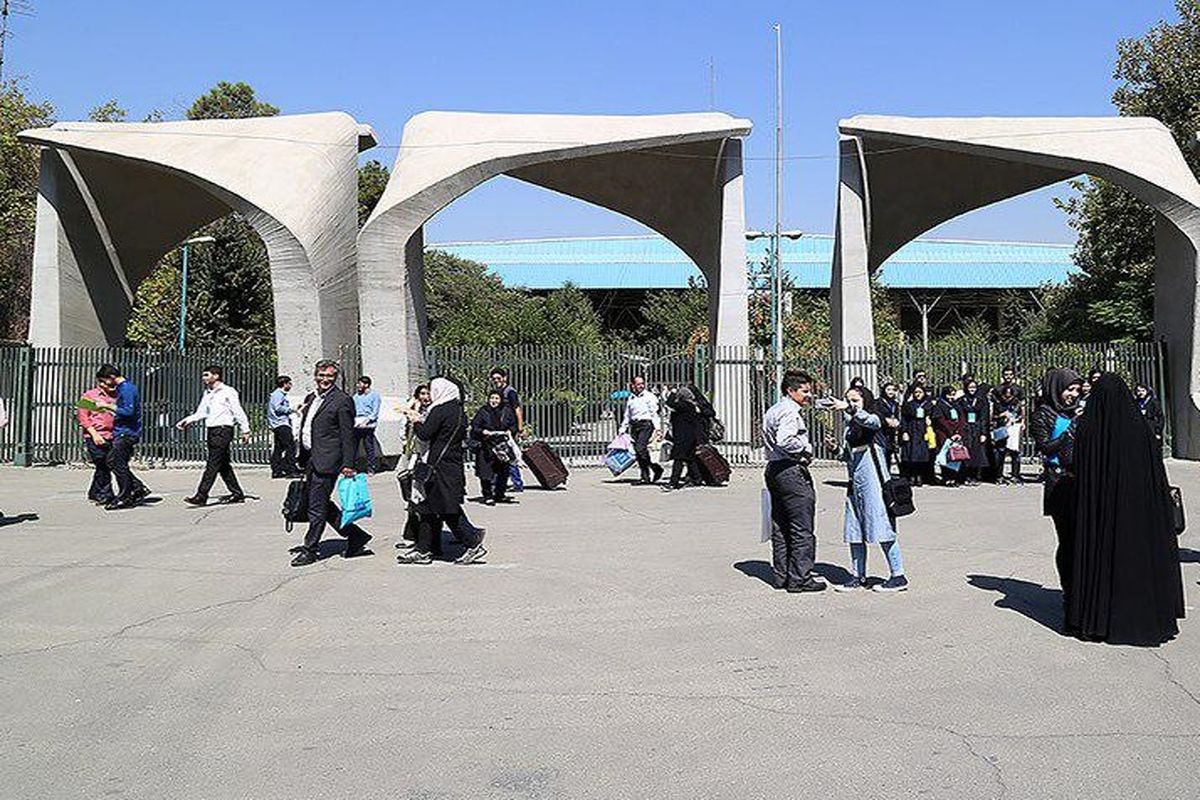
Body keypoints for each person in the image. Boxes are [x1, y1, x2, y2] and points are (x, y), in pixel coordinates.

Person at [1068, 373, 1184, 645]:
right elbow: (1156, 473)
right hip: (1140, 514)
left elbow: (1080, 474)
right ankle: (1146, 618)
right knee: (1138, 562)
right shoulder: (1140, 428)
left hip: (1101, 515)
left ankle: (1100, 617)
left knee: (1103, 559)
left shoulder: (1088, 427)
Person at [290, 360, 372, 567]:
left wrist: (348, 464)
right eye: (321, 375)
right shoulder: (312, 397)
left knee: (316, 506)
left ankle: (310, 549)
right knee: (319, 503)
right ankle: (356, 535)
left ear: (336, 378)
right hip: (311, 458)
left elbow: (348, 435)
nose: (325, 380)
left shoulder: (342, 400)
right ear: (315, 376)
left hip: (328, 460)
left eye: (330, 376)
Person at [826, 388, 908, 593]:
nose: (850, 404)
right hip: (855, 484)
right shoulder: (850, 427)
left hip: (876, 484)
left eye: (855, 400)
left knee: (882, 528)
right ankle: (857, 575)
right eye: (847, 400)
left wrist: (850, 409)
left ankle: (898, 575)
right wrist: (835, 448)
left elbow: (872, 422)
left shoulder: (874, 419)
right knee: (853, 530)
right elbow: (848, 455)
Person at [398, 377, 486, 565]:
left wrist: (415, 419)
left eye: (432, 389)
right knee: (428, 507)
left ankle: (472, 542)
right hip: (450, 464)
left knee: (447, 509)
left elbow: (425, 434)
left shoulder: (440, 409)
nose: (430, 393)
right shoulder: (458, 411)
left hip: (438, 466)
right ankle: (424, 549)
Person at [762, 370, 825, 593]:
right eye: (805, 391)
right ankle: (800, 578)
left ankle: (782, 575)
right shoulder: (789, 412)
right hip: (790, 471)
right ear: (791, 391)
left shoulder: (774, 410)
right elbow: (785, 439)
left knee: (780, 525)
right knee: (801, 527)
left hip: (774, 469)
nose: (809, 396)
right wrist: (805, 448)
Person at [1031, 368, 1083, 624]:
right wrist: (1070, 430)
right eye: (1068, 389)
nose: (1073, 395)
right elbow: (1045, 447)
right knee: (1068, 540)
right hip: (1057, 482)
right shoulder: (1043, 414)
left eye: (1076, 390)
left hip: (1080, 480)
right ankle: (1068, 591)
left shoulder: (1075, 411)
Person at [177, 365, 250, 507]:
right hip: (211, 430)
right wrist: (187, 420)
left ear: (216, 376)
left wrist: (245, 429)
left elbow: (237, 410)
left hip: (223, 430)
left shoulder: (228, 391)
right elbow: (202, 412)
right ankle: (237, 493)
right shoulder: (208, 393)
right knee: (223, 465)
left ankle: (201, 495)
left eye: (206, 375)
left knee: (212, 463)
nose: (203, 378)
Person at [95, 364, 150, 510]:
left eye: (104, 381)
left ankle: (126, 496)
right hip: (122, 430)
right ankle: (136, 488)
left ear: (112, 377)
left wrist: (107, 406)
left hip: (126, 432)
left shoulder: (126, 389)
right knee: (114, 462)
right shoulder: (123, 389)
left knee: (117, 463)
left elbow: (128, 411)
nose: (104, 385)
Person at [471, 388, 518, 505]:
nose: (494, 401)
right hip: (486, 446)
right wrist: (483, 432)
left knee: (503, 472)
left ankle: (500, 494)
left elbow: (513, 425)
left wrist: (509, 431)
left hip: (502, 446)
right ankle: (487, 495)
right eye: (492, 398)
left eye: (497, 398)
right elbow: (475, 427)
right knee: (485, 473)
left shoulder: (507, 411)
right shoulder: (483, 411)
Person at [663, 384, 714, 491]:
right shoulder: (693, 406)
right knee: (690, 459)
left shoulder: (684, 405)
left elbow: (669, 403)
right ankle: (697, 479)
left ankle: (673, 482)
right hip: (691, 437)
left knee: (679, 459)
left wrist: (672, 392)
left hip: (684, 438)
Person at [619, 375, 664, 485]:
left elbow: (654, 414)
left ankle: (654, 469)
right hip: (634, 425)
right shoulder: (631, 398)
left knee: (640, 448)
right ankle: (646, 475)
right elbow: (627, 415)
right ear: (633, 385)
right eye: (638, 384)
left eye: (642, 383)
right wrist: (622, 429)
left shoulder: (650, 397)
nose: (641, 386)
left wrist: (658, 429)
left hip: (646, 425)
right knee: (639, 452)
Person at [77, 377, 115, 505]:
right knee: (103, 463)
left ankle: (95, 492)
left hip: (113, 435)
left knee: (104, 465)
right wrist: (94, 434)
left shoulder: (118, 396)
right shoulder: (90, 395)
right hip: (96, 435)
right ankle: (105, 494)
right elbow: (83, 417)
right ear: (101, 382)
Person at [490, 367, 526, 491]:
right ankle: (497, 482)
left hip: (510, 429)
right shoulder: (496, 392)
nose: (496, 381)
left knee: (510, 455)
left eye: (498, 378)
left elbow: (517, 409)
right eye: (494, 379)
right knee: (498, 455)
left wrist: (520, 428)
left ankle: (517, 483)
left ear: (505, 378)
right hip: (500, 429)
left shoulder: (510, 392)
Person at [955, 378, 990, 485]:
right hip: (965, 428)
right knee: (965, 452)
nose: (972, 389)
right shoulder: (961, 401)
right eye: (970, 387)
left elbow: (984, 418)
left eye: (974, 387)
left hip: (977, 428)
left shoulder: (981, 401)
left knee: (976, 453)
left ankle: (974, 476)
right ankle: (964, 476)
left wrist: (983, 433)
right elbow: (959, 416)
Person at [899, 384, 935, 486]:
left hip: (924, 430)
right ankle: (911, 476)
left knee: (922, 455)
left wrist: (929, 419)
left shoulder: (928, 404)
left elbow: (934, 416)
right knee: (911, 454)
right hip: (912, 429)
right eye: (916, 393)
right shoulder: (909, 405)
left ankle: (920, 476)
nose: (918, 395)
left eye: (920, 392)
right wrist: (904, 432)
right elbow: (904, 419)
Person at [931, 385, 965, 487]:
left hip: (956, 433)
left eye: (953, 395)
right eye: (949, 395)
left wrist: (958, 432)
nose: (951, 397)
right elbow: (940, 421)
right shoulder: (940, 405)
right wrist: (951, 433)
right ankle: (946, 478)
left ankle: (954, 477)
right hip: (944, 434)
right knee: (946, 455)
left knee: (955, 455)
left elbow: (962, 418)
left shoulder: (956, 405)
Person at [991, 384, 1024, 484]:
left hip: (1014, 429)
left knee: (1015, 453)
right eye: (1006, 395)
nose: (1007, 398)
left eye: (1010, 395)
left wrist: (1020, 421)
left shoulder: (1016, 403)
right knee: (1000, 453)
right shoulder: (998, 403)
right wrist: (1002, 415)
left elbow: (1021, 414)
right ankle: (999, 475)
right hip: (1001, 428)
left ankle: (1015, 475)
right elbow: (993, 416)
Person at [267, 375, 299, 479]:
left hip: (277, 424)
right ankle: (290, 470)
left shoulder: (277, 394)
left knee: (278, 448)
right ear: (284, 384)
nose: (291, 385)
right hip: (281, 424)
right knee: (291, 447)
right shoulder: (278, 394)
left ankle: (277, 470)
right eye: (289, 383)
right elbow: (277, 408)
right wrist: (291, 409)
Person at [352, 375, 381, 474]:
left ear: (366, 384)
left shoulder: (374, 396)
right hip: (357, 423)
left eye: (360, 383)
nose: (358, 385)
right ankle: (353, 467)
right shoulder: (356, 396)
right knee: (354, 447)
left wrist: (367, 421)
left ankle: (371, 468)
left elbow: (375, 411)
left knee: (369, 447)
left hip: (368, 424)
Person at [874, 381, 902, 470]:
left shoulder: (895, 403)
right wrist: (886, 420)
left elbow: (897, 415)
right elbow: (876, 415)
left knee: (889, 453)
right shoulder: (878, 402)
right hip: (881, 431)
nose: (891, 392)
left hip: (891, 432)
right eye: (888, 389)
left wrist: (897, 422)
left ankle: (887, 474)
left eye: (893, 390)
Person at [1133, 382, 1165, 449]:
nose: (1141, 393)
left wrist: (1158, 431)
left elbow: (1160, 417)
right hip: (1140, 431)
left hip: (1152, 430)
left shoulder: (1153, 402)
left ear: (1147, 391)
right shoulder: (1136, 402)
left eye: (1143, 391)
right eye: (1138, 391)